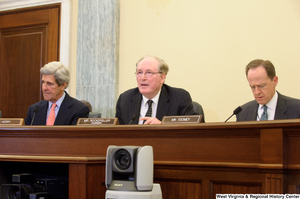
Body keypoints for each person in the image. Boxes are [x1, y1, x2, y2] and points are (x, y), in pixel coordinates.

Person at [116, 55, 195, 125]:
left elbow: (193, 131)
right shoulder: (125, 99)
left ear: (162, 77)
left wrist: (163, 126)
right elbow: (117, 134)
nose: (143, 78)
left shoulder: (179, 98)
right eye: (139, 72)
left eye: (149, 72)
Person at [25, 61, 89, 125]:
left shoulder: (79, 109)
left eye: (49, 84)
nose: (44, 88)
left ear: (63, 85)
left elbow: (74, 135)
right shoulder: (34, 110)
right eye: (43, 82)